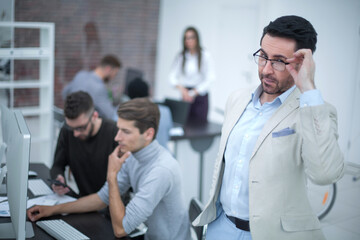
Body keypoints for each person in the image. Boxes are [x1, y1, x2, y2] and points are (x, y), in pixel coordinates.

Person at [193, 15, 345, 240]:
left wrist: (308, 89)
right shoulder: (237, 99)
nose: (265, 70)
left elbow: (326, 174)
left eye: (279, 61)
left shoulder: (313, 109)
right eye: (263, 57)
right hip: (220, 227)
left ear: (301, 63)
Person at [28, 98, 191, 240]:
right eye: (119, 128)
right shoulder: (133, 155)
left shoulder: (161, 170)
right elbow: (102, 198)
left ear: (148, 134)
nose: (117, 137)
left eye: (125, 131)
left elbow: (121, 229)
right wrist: (52, 210)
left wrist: (112, 175)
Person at [51, 91, 118, 197]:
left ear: (94, 116)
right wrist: (58, 178)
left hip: (112, 203)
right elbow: (57, 166)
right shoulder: (67, 131)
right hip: (84, 201)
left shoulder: (115, 133)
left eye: (80, 128)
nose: (75, 134)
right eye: (71, 127)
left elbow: (123, 183)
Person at [169, 26, 215, 124]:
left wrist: (193, 93)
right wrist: (182, 89)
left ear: (196, 39)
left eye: (191, 37)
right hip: (185, 96)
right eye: (186, 38)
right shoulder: (181, 56)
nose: (188, 40)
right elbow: (172, 76)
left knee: (199, 127)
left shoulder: (205, 55)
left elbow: (210, 78)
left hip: (200, 96)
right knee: (185, 126)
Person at [62, 55, 121, 121]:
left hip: (70, 118)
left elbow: (64, 93)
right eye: (115, 73)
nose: (113, 77)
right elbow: (111, 115)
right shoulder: (99, 88)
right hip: (86, 124)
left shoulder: (81, 75)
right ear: (108, 69)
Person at [127, 77, 173, 149]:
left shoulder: (123, 115)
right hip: (164, 156)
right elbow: (168, 134)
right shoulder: (165, 111)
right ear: (149, 92)